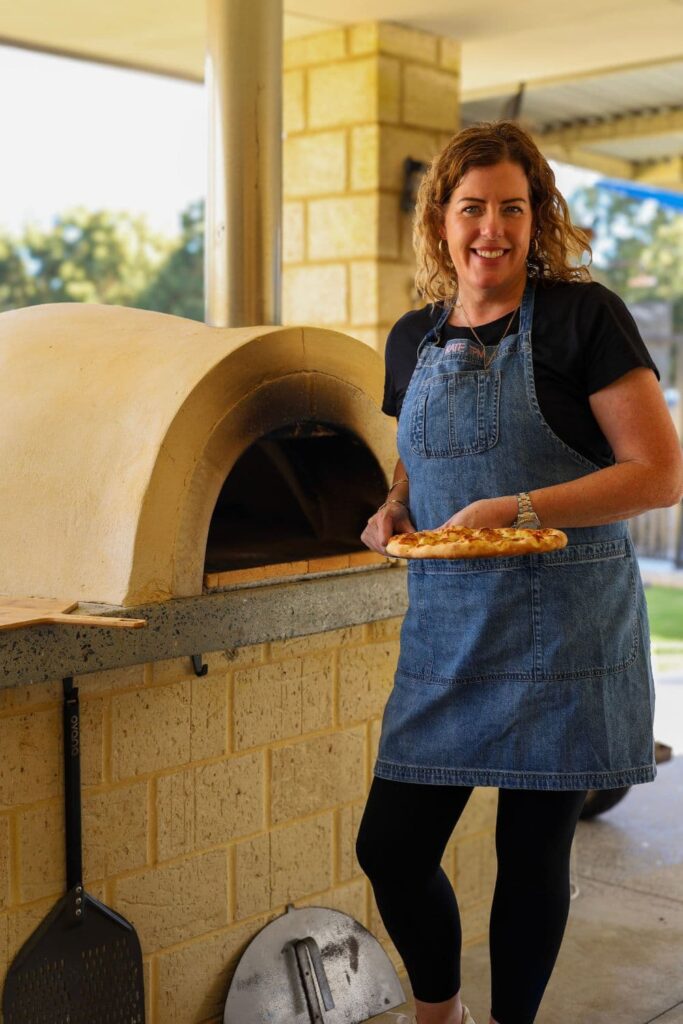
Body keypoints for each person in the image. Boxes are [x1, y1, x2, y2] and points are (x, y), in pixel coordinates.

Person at [356, 120, 683, 1024]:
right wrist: (394, 509)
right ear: (440, 221)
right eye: (471, 208)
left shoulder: (585, 317)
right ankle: (441, 1010)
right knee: (389, 847)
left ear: (538, 216)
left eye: (511, 206)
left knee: (531, 855)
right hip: (448, 629)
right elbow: (417, 457)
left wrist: (516, 509)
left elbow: (658, 472)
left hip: (565, 627)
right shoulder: (410, 337)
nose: (490, 229)